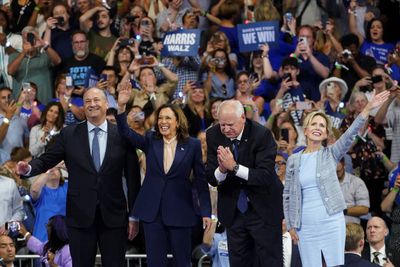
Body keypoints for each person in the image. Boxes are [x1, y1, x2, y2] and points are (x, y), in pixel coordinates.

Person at [16, 87, 141, 267]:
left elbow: (133, 178)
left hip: (114, 216)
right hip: (80, 217)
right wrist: (28, 168)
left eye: (96, 100)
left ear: (107, 104)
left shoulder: (122, 134)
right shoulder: (69, 134)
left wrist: (134, 217)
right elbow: (47, 159)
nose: (92, 104)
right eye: (87, 101)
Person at [283, 90, 390, 267]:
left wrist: (368, 109)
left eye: (322, 126)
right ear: (307, 130)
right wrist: (290, 225)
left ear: (326, 133)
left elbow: (350, 134)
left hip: (331, 221)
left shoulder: (331, 154)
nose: (318, 128)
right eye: (314, 124)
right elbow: (287, 195)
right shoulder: (294, 160)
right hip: (305, 225)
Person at [116, 83, 212, 267]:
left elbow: (200, 180)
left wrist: (206, 211)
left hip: (181, 212)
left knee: (182, 262)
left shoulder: (192, 145)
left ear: (177, 121)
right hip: (153, 214)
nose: (163, 122)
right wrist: (121, 107)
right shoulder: (151, 140)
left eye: (168, 118)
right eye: (160, 118)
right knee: (155, 263)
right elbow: (125, 133)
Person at [206, 99, 283, 266]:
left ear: (243, 117)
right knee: (239, 262)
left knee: (270, 261)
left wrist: (234, 167)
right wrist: (222, 170)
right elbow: (212, 178)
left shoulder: (261, 135)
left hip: (263, 208)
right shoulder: (213, 134)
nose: (226, 129)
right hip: (234, 212)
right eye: (222, 124)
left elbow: (263, 176)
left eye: (230, 124)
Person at [30, 162, 67, 242]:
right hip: (42, 239)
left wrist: (65, 167)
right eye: (49, 168)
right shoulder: (41, 190)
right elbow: (34, 189)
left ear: (61, 174)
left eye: (56, 169)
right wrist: (48, 170)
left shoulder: (67, 187)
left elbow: (82, 180)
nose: (53, 170)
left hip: (65, 238)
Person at [337, 159, 370, 224]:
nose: (336, 174)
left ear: (344, 165)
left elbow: (364, 209)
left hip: (351, 226)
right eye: (333, 172)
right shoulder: (325, 183)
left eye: (338, 171)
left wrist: (342, 211)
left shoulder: (356, 182)